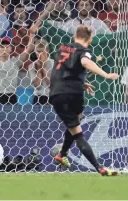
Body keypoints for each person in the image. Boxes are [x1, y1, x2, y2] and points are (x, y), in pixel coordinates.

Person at [49, 25, 119, 176]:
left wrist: (81, 82)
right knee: (77, 131)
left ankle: (61, 154)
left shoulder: (62, 49)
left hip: (57, 93)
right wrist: (106, 75)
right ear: (90, 39)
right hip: (73, 94)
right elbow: (85, 63)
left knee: (73, 125)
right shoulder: (84, 51)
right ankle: (99, 168)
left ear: (75, 36)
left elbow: (62, 70)